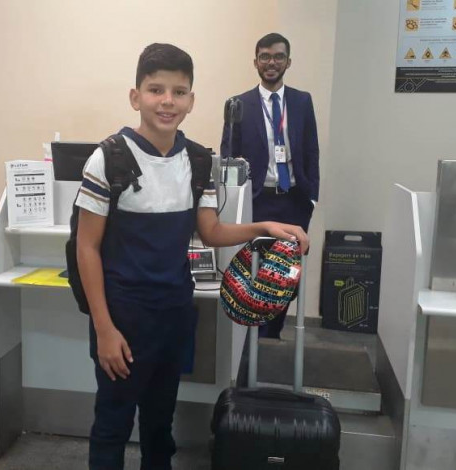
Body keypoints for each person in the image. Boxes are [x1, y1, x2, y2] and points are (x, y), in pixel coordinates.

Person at [75, 43, 309, 470]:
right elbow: (86, 247)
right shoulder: (108, 159)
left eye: (179, 92)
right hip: (124, 317)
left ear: (191, 100)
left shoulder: (199, 161)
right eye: (156, 90)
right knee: (112, 423)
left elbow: (211, 231)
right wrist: (104, 329)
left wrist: (264, 227)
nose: (167, 101)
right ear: (136, 97)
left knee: (160, 424)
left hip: (175, 312)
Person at [220, 32, 320, 339]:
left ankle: (271, 337)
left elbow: (311, 150)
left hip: (294, 201)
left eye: (278, 56)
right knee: (254, 274)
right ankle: (251, 342)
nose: (271, 62)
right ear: (255, 62)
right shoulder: (239, 104)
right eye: (265, 57)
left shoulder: (302, 101)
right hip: (257, 200)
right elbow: (228, 155)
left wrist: (312, 197)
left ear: (288, 62)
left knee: (286, 279)